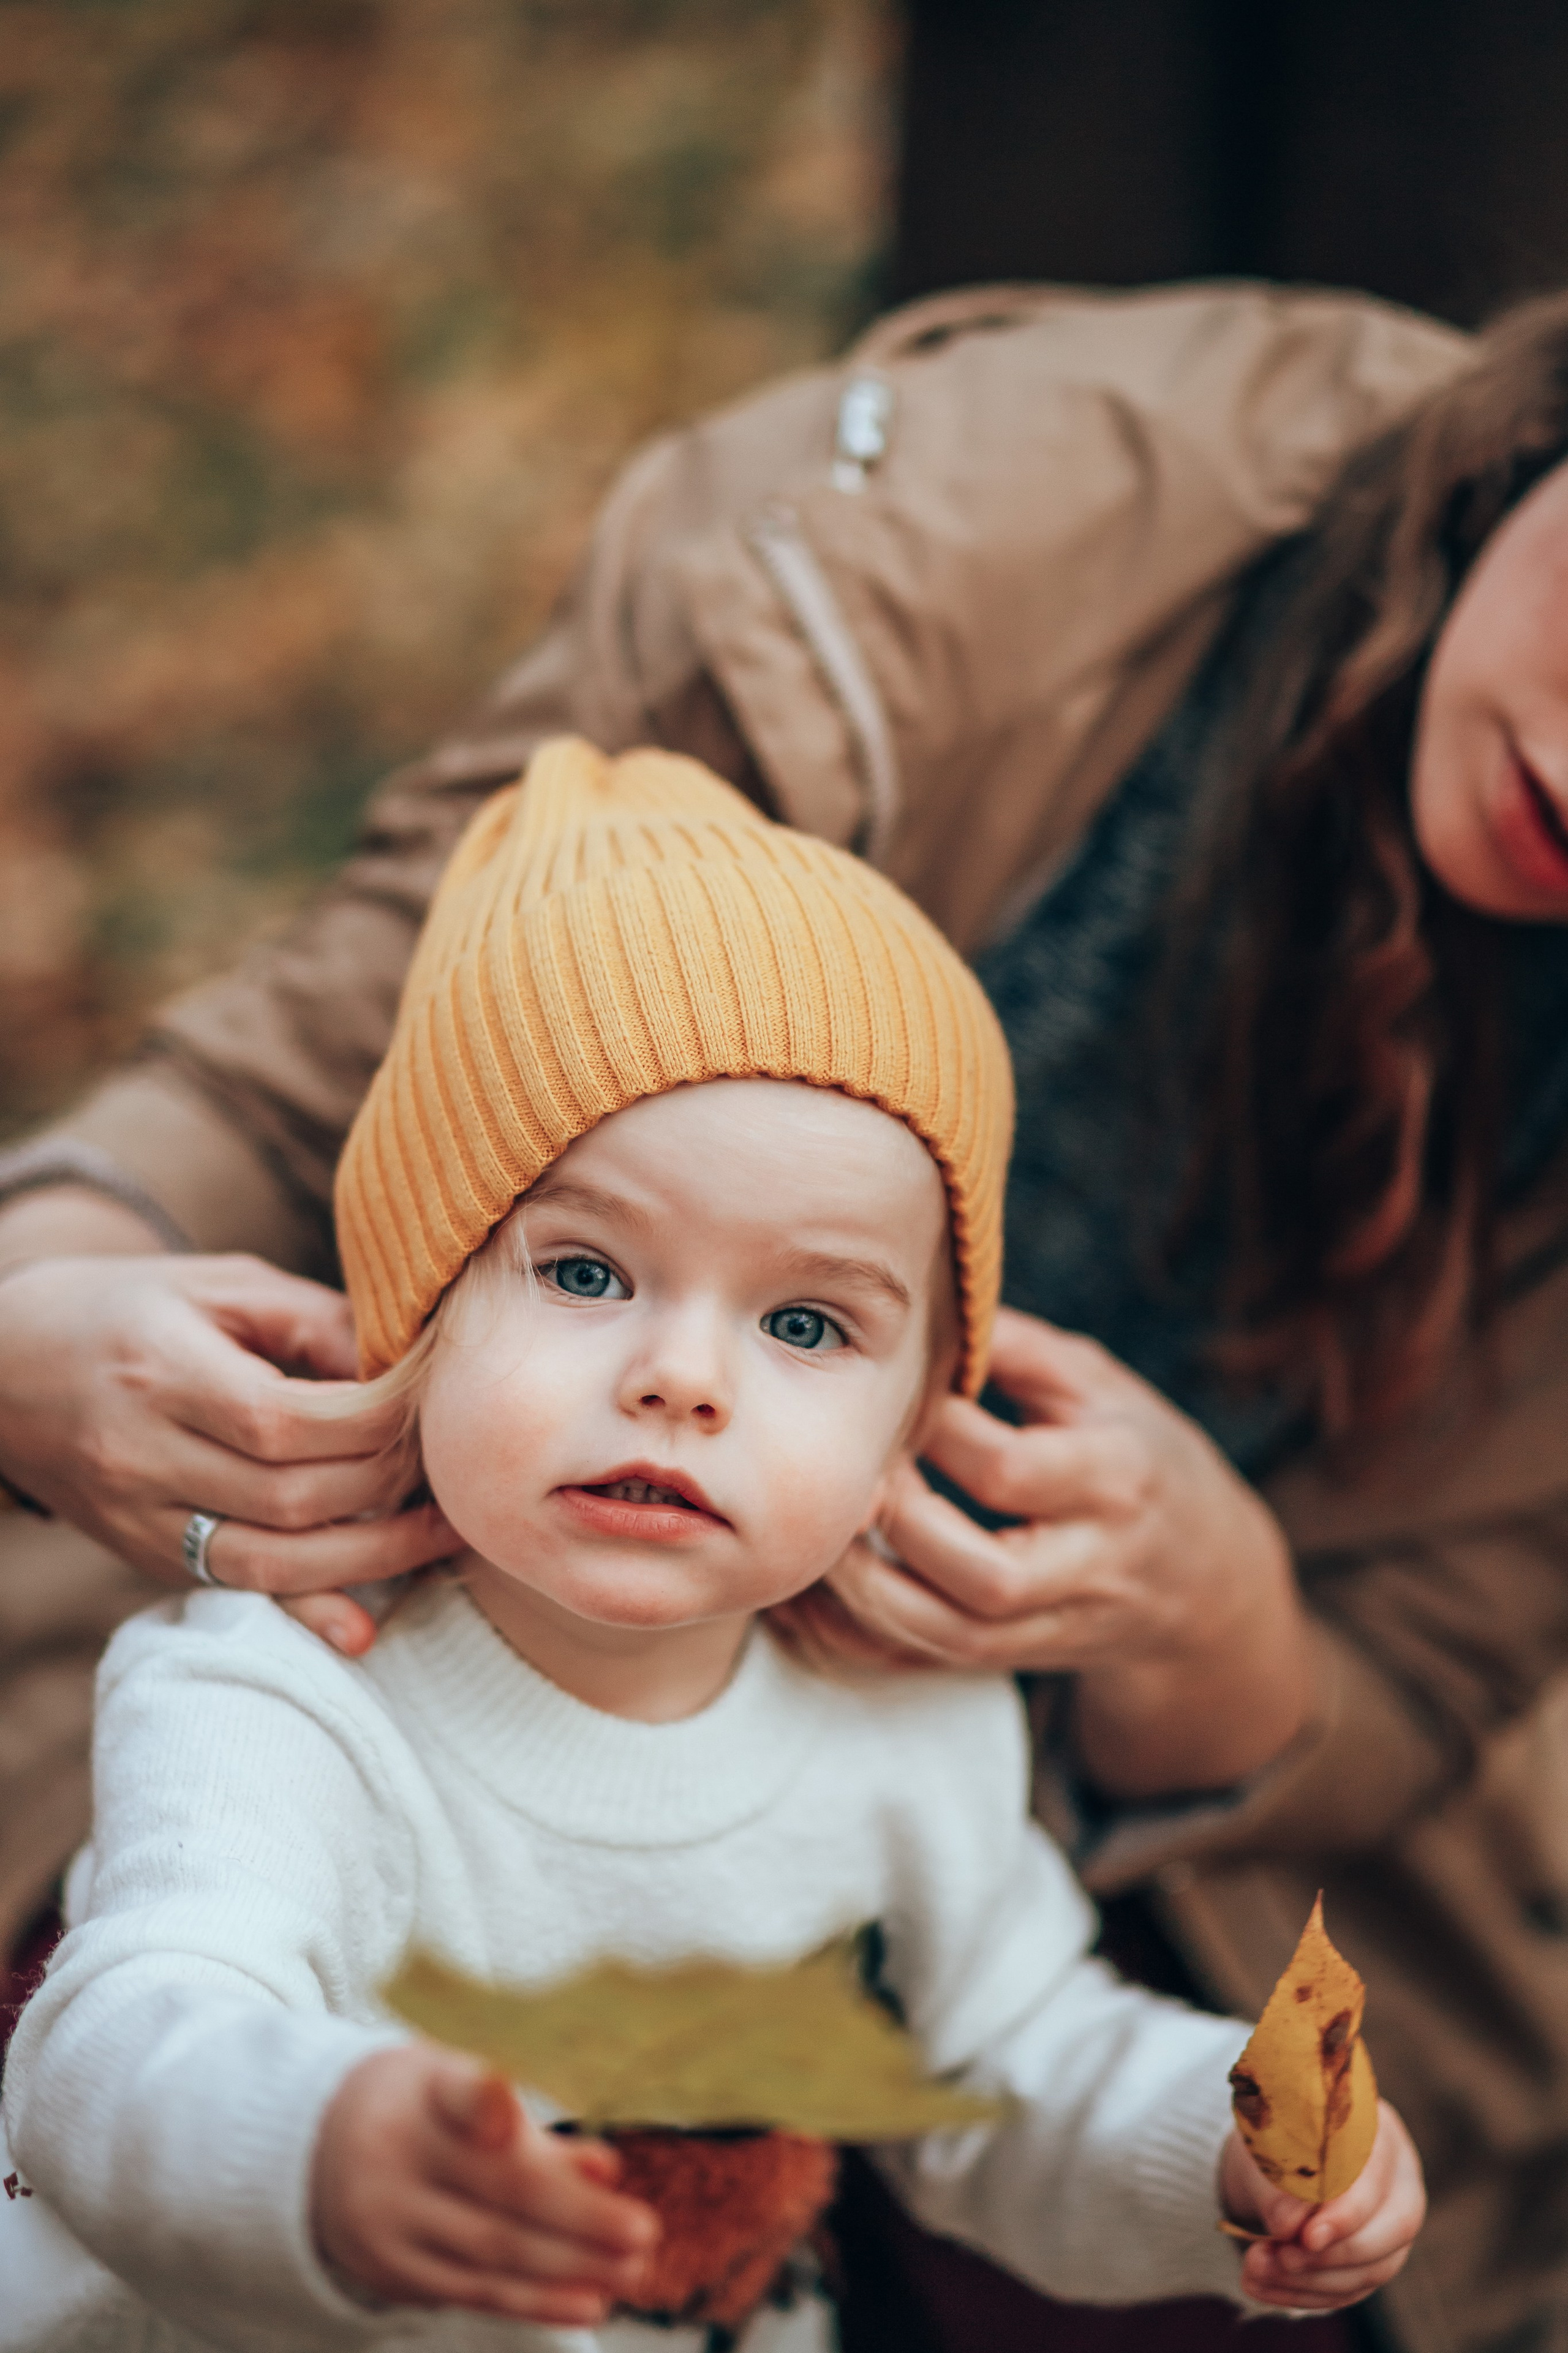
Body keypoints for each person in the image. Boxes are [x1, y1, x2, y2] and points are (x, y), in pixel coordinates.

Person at [2, 278, 1568, 2352]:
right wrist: (322, 2144)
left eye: (812, 1330)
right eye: (578, 1271)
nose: (679, 1367)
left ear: (938, 1400)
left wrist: (1225, 2140)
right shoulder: (291, 1687)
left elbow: (1013, 2068)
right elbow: (140, 2029)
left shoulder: (908, 1733)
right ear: (410, 1294)